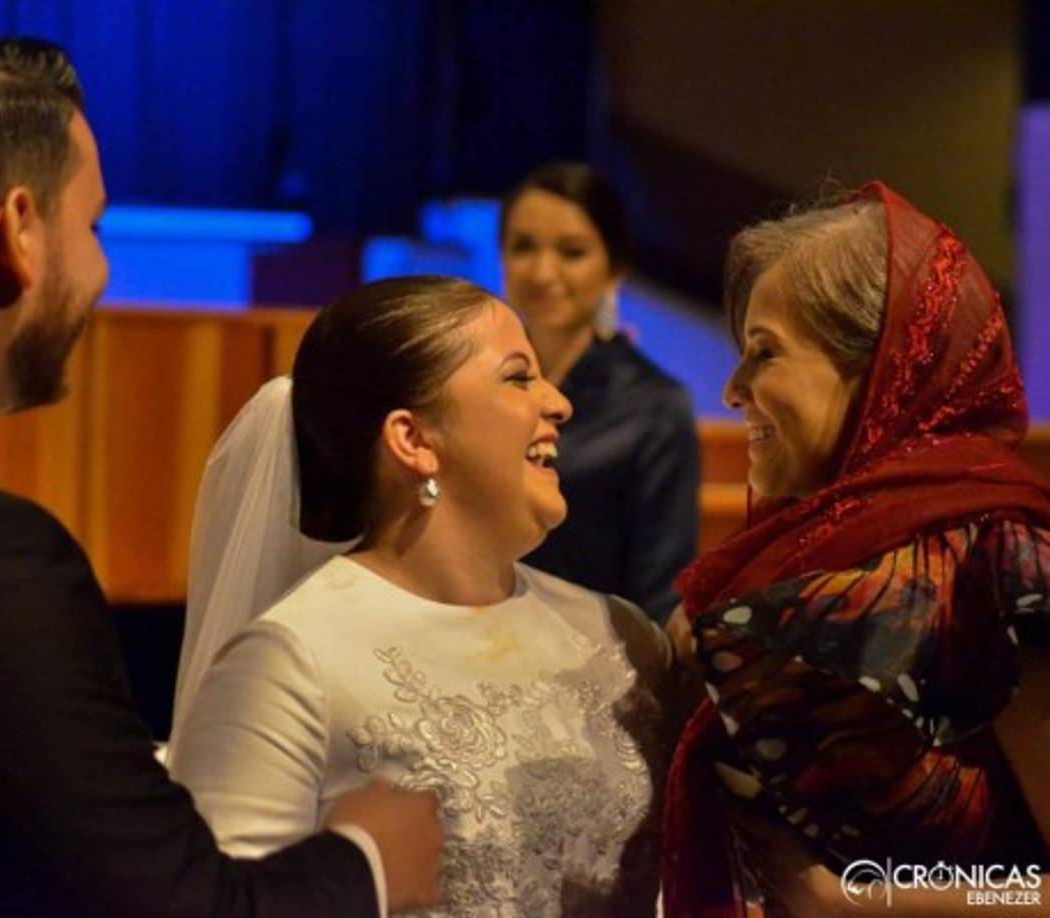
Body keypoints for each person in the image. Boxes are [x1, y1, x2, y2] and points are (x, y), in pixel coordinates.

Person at [0, 31, 442, 917]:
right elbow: (176, 903)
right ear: (18, 232)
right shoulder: (1, 567)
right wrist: (370, 858)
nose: (103, 270)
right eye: (94, 227)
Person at [167, 275, 671, 916]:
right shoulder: (291, 661)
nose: (559, 404)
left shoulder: (617, 634)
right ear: (414, 441)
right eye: (519, 378)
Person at [661, 182, 1050, 916]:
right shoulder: (790, 561)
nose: (734, 389)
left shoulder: (998, 558)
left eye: (763, 353)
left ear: (879, 367)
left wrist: (857, 904)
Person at [500, 162, 699, 623]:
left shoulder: (656, 405)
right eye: (523, 247)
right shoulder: (474, 384)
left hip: (590, 658)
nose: (542, 271)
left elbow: (661, 592)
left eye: (572, 252)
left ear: (614, 270)